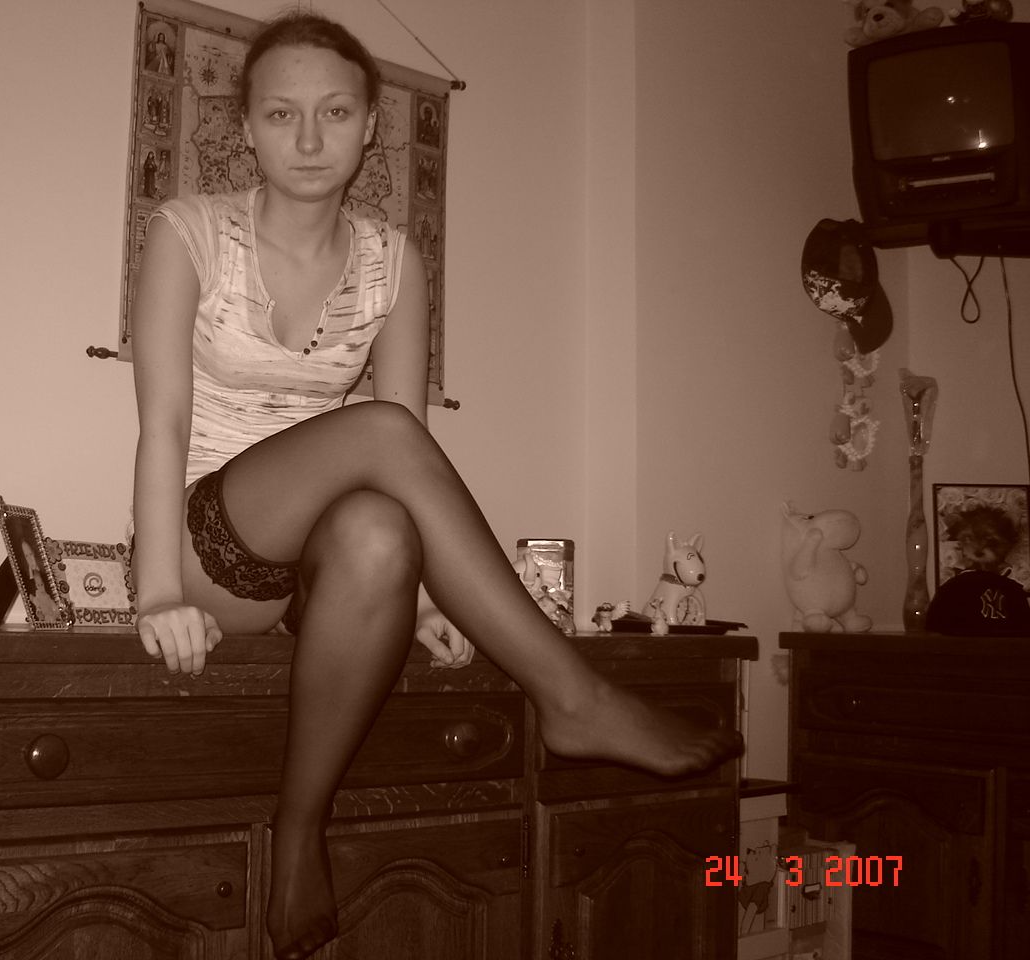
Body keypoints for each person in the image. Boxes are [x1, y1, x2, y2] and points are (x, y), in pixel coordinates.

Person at [129, 12, 742, 960]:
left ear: (371, 125)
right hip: (209, 551)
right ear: (245, 126)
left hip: (322, 567)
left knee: (380, 524)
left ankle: (300, 831)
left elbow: (404, 466)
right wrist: (156, 593)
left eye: (335, 112)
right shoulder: (189, 232)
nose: (308, 138)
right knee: (381, 433)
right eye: (281, 113)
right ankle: (572, 696)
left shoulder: (395, 261)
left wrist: (416, 604)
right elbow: (165, 422)